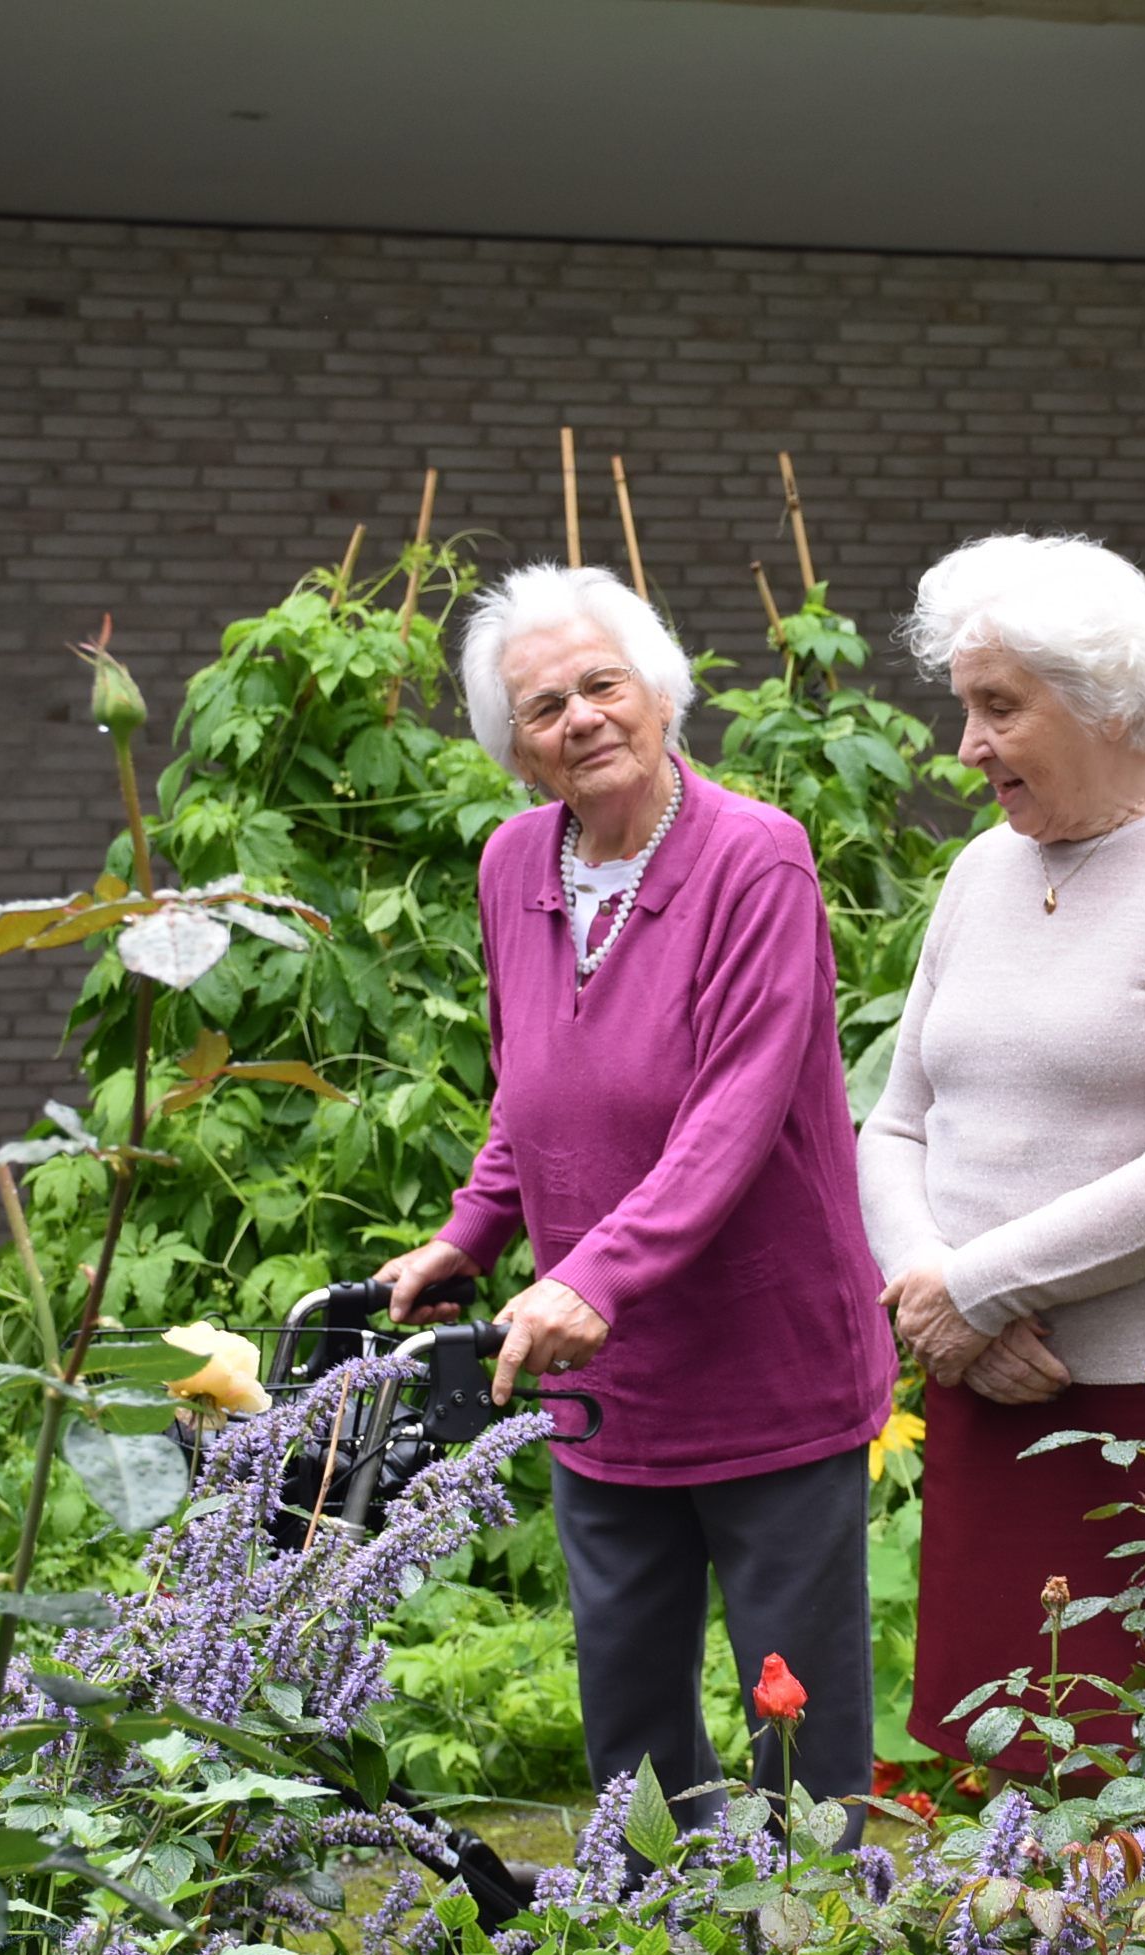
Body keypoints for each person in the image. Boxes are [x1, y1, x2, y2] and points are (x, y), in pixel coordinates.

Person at [377, 563, 893, 1832]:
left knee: (797, 1730)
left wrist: (588, 1278)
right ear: (517, 750)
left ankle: (812, 1946)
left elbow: (733, 1113)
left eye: (601, 684)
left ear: (656, 689)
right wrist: (465, 1234)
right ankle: (658, 1944)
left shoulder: (753, 859)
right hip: (604, 1381)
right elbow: (531, 1093)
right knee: (631, 1728)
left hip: (765, 1363)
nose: (582, 718)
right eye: (544, 707)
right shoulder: (514, 863)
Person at [856, 534, 1145, 1838]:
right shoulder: (977, 874)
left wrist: (976, 1291)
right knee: (1012, 1732)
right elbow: (893, 1128)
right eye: (964, 705)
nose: (964, 744)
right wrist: (941, 1307)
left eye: (998, 707)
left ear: (1107, 706)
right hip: (994, 1380)